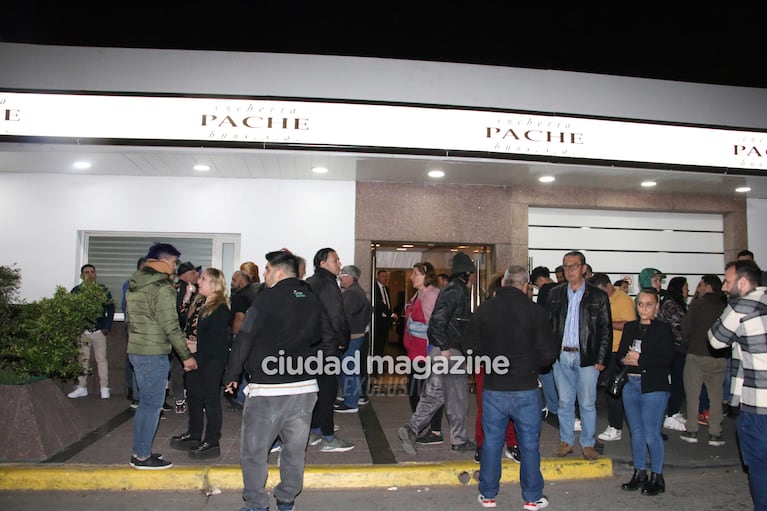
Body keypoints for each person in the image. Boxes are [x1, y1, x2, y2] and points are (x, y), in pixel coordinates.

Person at [224, 249, 321, 511]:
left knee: (254, 450)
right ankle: (287, 497)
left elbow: (245, 336)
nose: (264, 274)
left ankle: (256, 503)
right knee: (294, 448)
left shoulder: (265, 300)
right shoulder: (311, 299)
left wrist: (232, 375)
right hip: (304, 387)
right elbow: (317, 336)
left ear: (278, 271)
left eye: (267, 269)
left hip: (268, 390)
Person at [462, 264, 559, 510]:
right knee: (528, 445)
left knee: (493, 443)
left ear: (504, 282)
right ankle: (532, 497)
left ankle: (488, 494)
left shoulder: (485, 309)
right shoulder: (534, 312)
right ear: (525, 285)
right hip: (525, 387)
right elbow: (548, 354)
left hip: (494, 387)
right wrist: (532, 365)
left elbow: (468, 347)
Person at [126, 242, 198, 470]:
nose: (175, 267)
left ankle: (140, 451)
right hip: (153, 352)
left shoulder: (136, 283)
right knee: (152, 405)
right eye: (174, 262)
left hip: (137, 349)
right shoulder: (162, 288)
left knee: (146, 404)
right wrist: (186, 356)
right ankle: (142, 456)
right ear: (164, 261)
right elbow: (171, 326)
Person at [399, 252, 476, 455]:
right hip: (449, 352)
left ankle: (411, 428)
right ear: (467, 274)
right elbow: (438, 321)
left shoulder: (451, 289)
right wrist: (445, 348)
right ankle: (459, 440)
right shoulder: (456, 290)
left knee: (433, 396)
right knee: (458, 398)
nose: (474, 278)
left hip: (439, 351)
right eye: (473, 274)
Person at [709, 259, 767, 511]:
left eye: (728, 281)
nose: (724, 287)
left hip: (758, 405)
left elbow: (716, 339)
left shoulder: (741, 306)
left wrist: (730, 307)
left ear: (743, 282)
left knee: (759, 467)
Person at [545, 251, 611, 460]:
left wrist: (601, 359)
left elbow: (605, 329)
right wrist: (549, 354)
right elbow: (547, 326)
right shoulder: (555, 294)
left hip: (587, 357)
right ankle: (566, 441)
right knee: (564, 402)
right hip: (561, 356)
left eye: (574, 266)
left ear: (584, 268)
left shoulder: (598, 296)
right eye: (566, 266)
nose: (569, 270)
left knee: (587, 402)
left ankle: (588, 444)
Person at [617, 287, 674, 496]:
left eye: (648, 305)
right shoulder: (631, 327)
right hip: (631, 384)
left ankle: (657, 477)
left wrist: (640, 360)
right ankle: (639, 472)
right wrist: (625, 359)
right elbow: (620, 354)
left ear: (656, 306)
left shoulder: (663, 329)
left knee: (651, 433)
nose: (644, 309)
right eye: (640, 304)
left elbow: (667, 358)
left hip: (654, 386)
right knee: (637, 433)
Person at [170, 268, 230, 459]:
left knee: (211, 400)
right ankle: (194, 433)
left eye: (203, 279)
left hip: (209, 361)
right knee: (194, 397)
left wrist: (196, 360)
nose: (198, 282)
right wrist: (187, 297)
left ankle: (212, 440)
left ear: (214, 284)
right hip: (195, 358)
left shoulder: (220, 307)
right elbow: (181, 321)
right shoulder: (199, 302)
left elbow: (215, 342)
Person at [306, 247, 354, 452]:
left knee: (315, 391)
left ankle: (314, 430)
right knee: (328, 392)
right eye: (335, 260)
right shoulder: (328, 284)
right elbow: (336, 317)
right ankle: (328, 436)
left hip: (312, 347)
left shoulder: (309, 282)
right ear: (322, 263)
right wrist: (344, 340)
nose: (339, 263)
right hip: (327, 348)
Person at [472, 273, 521, 465]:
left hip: (510, 364)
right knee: (486, 406)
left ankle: (512, 444)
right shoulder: (485, 310)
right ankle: (482, 445)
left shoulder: (519, 310)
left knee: (511, 407)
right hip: (487, 363)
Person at [679, 275, 727, 445]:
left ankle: (692, 431)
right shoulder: (725, 306)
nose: (697, 288)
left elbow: (686, 328)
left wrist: (689, 344)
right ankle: (715, 433)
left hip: (696, 355)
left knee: (693, 395)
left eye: (701, 285)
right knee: (716, 395)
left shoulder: (698, 305)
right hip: (719, 357)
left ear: (707, 287)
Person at [589, 272, 636, 442]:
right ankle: (615, 425)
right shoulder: (605, 298)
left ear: (607, 286)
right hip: (607, 350)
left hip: (618, 351)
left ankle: (616, 427)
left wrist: (606, 323)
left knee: (613, 390)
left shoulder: (622, 300)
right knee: (609, 389)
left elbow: (630, 324)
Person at [401, 262, 443, 444]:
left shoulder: (431, 295)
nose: (412, 277)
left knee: (427, 392)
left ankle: (434, 431)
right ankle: (424, 426)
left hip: (425, 354)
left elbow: (434, 326)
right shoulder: (419, 294)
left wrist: (430, 352)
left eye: (415, 274)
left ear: (426, 276)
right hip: (415, 353)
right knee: (416, 391)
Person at [67, 264, 115, 399]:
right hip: (83, 331)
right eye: (87, 272)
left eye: (92, 272)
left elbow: (110, 309)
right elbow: (71, 310)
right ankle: (81, 387)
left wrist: (106, 326)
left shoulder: (103, 290)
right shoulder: (76, 291)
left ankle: (104, 387)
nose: (90, 274)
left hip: (99, 331)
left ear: (95, 274)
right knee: (82, 360)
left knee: (102, 360)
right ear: (82, 275)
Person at [335, 264, 372, 413]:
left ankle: (351, 402)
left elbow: (343, 316)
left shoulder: (352, 294)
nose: (340, 277)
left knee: (349, 369)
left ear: (351, 277)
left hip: (352, 336)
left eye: (343, 275)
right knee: (349, 368)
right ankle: (350, 396)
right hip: (356, 335)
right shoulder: (356, 292)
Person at [171, 261, 201, 414]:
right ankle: (180, 399)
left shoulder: (177, 288)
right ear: (187, 274)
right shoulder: (183, 290)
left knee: (180, 368)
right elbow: (181, 315)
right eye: (195, 272)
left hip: (180, 335)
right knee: (181, 368)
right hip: (183, 336)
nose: (198, 275)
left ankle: (181, 399)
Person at [659, 276, 689, 432]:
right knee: (677, 382)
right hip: (675, 349)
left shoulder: (675, 304)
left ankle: (673, 412)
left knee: (678, 382)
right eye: (685, 287)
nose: (688, 290)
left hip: (678, 348)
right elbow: (680, 328)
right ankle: (671, 414)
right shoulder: (671, 305)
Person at [531, 266, 559, 417]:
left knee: (546, 374)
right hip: (563, 339)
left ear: (540, 280)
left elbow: (542, 316)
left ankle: (552, 405)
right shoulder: (563, 287)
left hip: (548, 338)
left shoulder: (545, 290)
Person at [122, 257, 147, 407]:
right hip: (135, 328)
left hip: (149, 330)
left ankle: (144, 394)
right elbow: (127, 306)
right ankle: (136, 394)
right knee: (135, 360)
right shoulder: (131, 284)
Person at [373, 269, 395, 361]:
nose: (385, 278)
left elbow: (387, 304)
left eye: (386, 276)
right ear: (377, 277)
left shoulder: (386, 289)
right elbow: (380, 304)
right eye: (383, 276)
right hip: (377, 321)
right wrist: (391, 314)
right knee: (376, 346)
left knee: (382, 345)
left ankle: (379, 366)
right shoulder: (374, 288)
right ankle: (374, 369)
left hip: (385, 322)